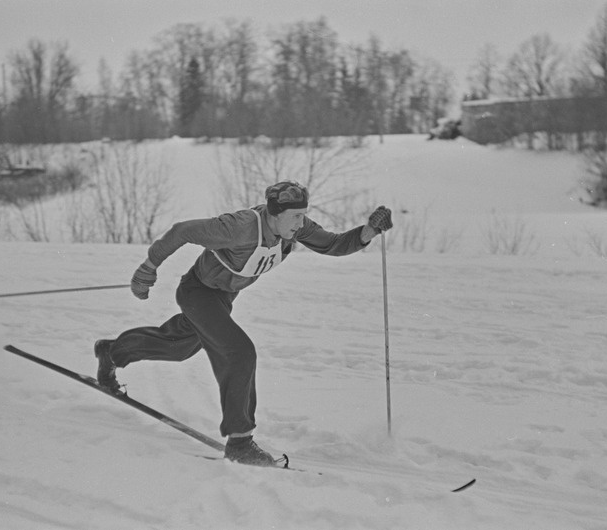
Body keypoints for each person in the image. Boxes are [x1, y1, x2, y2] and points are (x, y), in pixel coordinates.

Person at [94, 180, 393, 466]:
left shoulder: (293, 228)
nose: (301, 223)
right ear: (273, 214)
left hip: (223, 298)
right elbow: (181, 231)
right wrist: (148, 268)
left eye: (303, 215)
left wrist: (369, 231)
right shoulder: (238, 227)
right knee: (239, 352)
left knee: (179, 346)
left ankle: (112, 352)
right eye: (296, 216)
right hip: (198, 292)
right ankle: (240, 443)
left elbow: (335, 244)